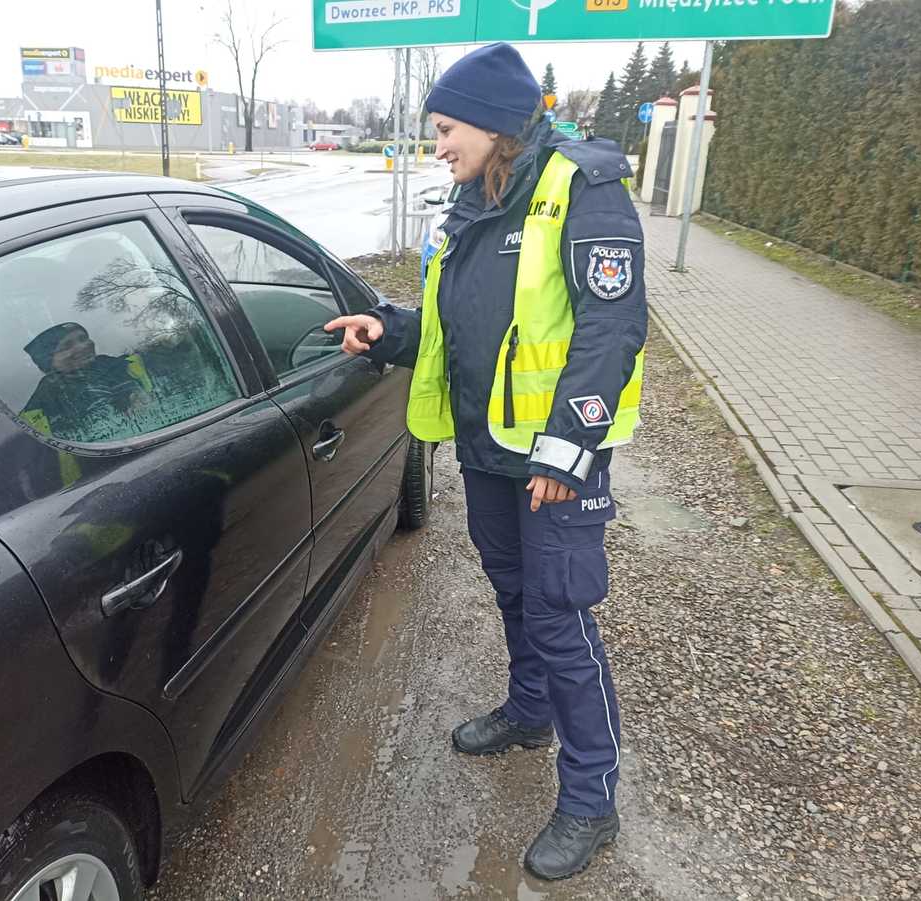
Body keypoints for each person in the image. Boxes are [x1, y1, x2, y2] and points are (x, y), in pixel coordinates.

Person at [325, 42, 645, 880]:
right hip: (487, 449)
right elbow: (454, 319)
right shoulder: (472, 202)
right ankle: (530, 711)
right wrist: (386, 332)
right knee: (512, 590)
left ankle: (591, 798)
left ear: (497, 123)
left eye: (446, 128)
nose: (437, 145)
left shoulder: (583, 189)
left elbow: (611, 328)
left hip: (554, 459)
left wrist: (569, 448)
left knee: (560, 616)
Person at [20, 321, 155, 444]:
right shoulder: (41, 408)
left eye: (83, 338)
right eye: (66, 346)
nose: (83, 346)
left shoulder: (128, 366)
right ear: (48, 361)